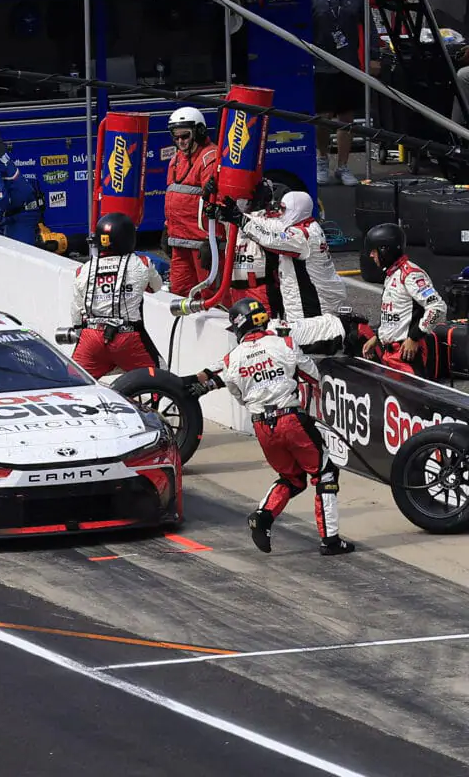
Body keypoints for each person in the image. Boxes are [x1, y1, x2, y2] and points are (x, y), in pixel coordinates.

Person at [190, 298, 352, 555]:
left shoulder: (232, 359)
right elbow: (313, 376)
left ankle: (262, 517)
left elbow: (239, 395)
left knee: (292, 478)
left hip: (262, 427)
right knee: (325, 473)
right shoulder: (284, 342)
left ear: (239, 327)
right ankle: (330, 540)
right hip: (290, 418)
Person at [216, 190, 347, 351]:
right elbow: (269, 226)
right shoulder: (303, 225)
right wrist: (234, 215)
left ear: (296, 210)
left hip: (314, 305)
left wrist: (241, 219)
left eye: (284, 209)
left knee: (310, 348)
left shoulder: (303, 236)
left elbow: (271, 239)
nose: (280, 212)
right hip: (310, 300)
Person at [66, 211, 163, 377]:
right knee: (160, 376)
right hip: (128, 337)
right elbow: (156, 287)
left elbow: (76, 313)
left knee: (74, 381)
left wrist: (80, 335)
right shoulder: (142, 263)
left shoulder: (83, 270)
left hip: (91, 336)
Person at [361, 223, 448, 378]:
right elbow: (395, 314)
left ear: (385, 250)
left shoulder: (411, 275)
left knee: (411, 401)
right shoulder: (392, 274)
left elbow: (437, 307)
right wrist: (377, 338)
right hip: (389, 353)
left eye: (374, 251)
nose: (371, 256)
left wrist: (415, 337)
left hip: (407, 353)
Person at [311, 0, 365, 186]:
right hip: (322, 63)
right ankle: (322, 158)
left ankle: (343, 165)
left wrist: (372, 56)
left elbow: (369, 26)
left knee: (346, 117)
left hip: (348, 62)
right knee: (323, 117)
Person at [162, 106, 219, 295]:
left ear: (199, 132)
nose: (180, 142)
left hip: (202, 243)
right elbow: (173, 197)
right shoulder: (176, 160)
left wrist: (214, 241)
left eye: (185, 136)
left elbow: (215, 202)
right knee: (179, 293)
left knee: (209, 295)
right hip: (180, 242)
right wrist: (167, 229)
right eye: (176, 137)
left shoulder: (209, 158)